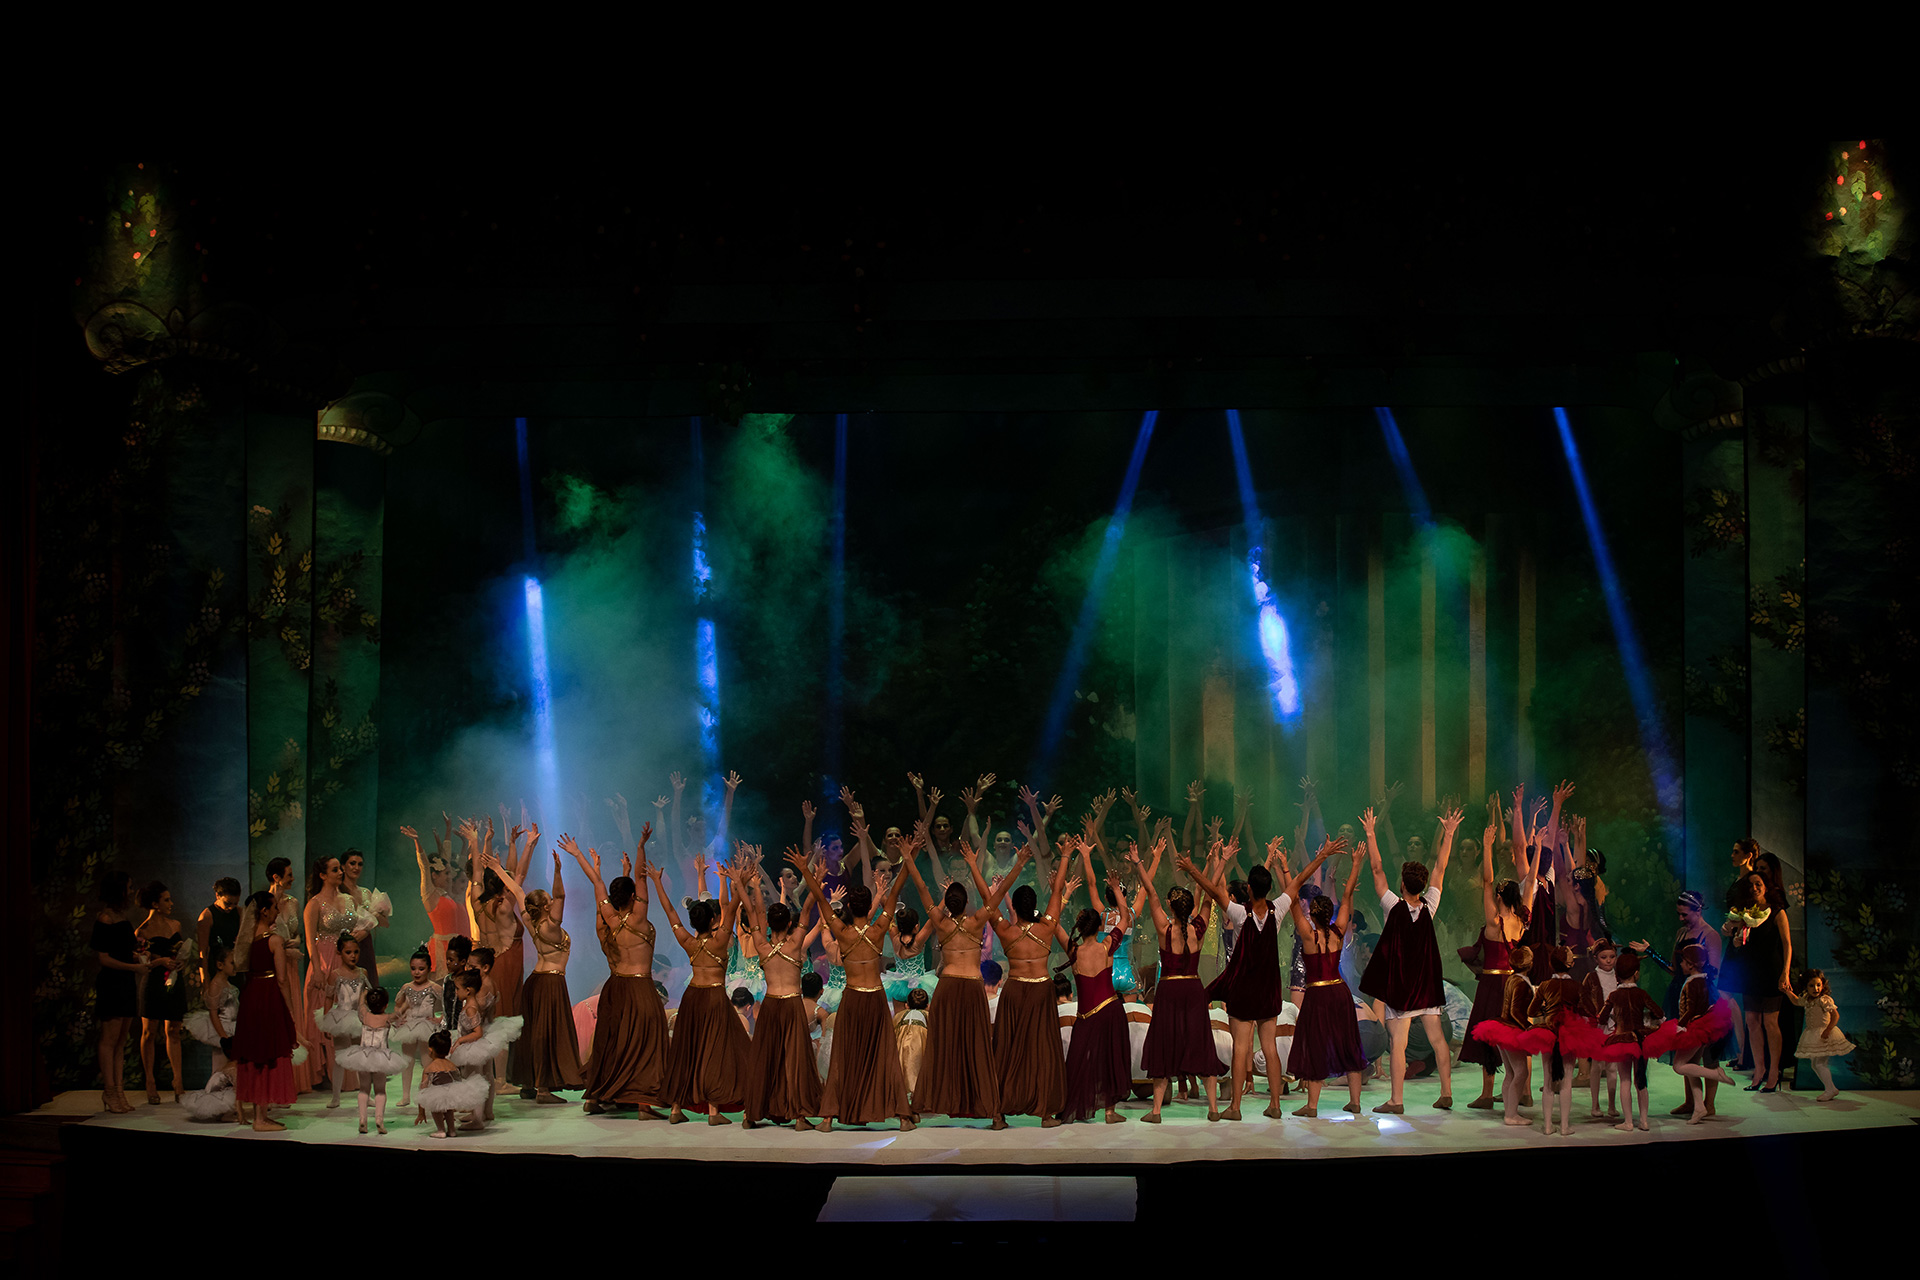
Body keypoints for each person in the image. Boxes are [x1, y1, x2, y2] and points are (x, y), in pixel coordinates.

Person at [787, 832, 918, 1132]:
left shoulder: (842, 932)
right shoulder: (879, 929)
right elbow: (895, 893)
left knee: (843, 1055)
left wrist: (808, 871)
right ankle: (902, 1117)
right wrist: (907, 859)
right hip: (874, 997)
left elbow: (822, 902)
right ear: (869, 906)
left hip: (852, 997)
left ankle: (828, 1118)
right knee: (885, 1054)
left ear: (848, 907)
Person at [900, 827, 1025, 1127]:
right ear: (966, 901)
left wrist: (909, 859)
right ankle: (994, 1113)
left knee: (941, 1046)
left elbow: (922, 889)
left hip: (946, 987)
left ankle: (920, 1107)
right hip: (970, 987)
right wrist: (1011, 864)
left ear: (947, 901)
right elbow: (995, 895)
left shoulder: (939, 922)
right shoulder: (977, 921)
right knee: (977, 1047)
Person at [1358, 802, 1464, 1113]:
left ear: (1402, 884)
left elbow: (1377, 870)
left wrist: (1370, 833)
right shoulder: (1430, 905)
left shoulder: (1393, 906)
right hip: (1426, 985)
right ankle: (1446, 1092)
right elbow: (1441, 868)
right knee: (1438, 1040)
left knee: (1399, 1043)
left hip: (1402, 988)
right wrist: (1448, 834)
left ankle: (1397, 1100)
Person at [564, 829, 670, 1118]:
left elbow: (597, 883)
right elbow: (642, 878)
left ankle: (596, 1096)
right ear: (634, 897)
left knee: (611, 1041)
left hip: (614, 987)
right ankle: (644, 1104)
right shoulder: (639, 919)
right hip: (639, 987)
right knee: (645, 1041)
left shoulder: (608, 920)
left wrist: (578, 855)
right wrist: (640, 845)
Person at [987, 807, 1074, 1127]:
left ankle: (998, 1115)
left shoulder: (1005, 931)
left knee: (1007, 1049)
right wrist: (1065, 856)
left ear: (1016, 906)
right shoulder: (1047, 926)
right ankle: (1045, 1113)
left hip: (1013, 991)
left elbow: (992, 902)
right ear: (1034, 906)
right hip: (1040, 991)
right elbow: (1058, 891)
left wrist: (1017, 865)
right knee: (1041, 1050)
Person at [656, 848, 752, 1124]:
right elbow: (730, 908)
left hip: (692, 997)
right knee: (714, 1050)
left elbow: (670, 911)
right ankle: (713, 1110)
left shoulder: (687, 941)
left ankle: (676, 1108)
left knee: (686, 1049)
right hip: (713, 997)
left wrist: (657, 883)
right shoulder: (720, 940)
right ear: (712, 920)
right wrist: (739, 882)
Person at [481, 843, 583, 1103]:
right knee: (546, 1034)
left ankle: (528, 1084)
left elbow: (517, 890)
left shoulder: (530, 920)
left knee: (533, 1034)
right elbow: (561, 896)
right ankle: (544, 1091)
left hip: (534, 982)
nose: (553, 901)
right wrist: (558, 872)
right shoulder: (550, 926)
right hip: (550, 982)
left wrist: (497, 869)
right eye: (550, 901)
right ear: (547, 907)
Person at [1279, 835, 1369, 1118]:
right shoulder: (1338, 931)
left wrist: (1285, 868)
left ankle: (1312, 1105)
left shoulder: (1308, 935)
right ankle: (1355, 1101)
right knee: (1348, 1042)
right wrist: (1356, 864)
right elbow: (1347, 895)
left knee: (1317, 1045)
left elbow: (1292, 899)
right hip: (1339, 991)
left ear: (1314, 915)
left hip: (1318, 993)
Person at [1462, 794, 1538, 1111]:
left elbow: (1486, 880)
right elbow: (1530, 883)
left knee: (1489, 1037)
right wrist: (1536, 853)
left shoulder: (1495, 923)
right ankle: (1525, 1090)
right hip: (1516, 983)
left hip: (1493, 984)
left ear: (1498, 896)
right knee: (1518, 1033)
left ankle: (1486, 1093)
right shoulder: (1521, 920)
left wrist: (1487, 846)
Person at [740, 878, 824, 1131]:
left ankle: (751, 1114)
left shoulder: (761, 944)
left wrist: (750, 887)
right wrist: (814, 879)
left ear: (768, 924)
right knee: (795, 1059)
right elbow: (807, 909)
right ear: (789, 924)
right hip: (791, 1004)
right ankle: (799, 1116)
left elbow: (753, 913)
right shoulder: (795, 942)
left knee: (765, 1057)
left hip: (770, 1005)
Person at [230, 892, 311, 1131]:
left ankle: (260, 1114)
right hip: (268, 997)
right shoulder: (274, 940)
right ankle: (260, 1118)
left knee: (257, 1052)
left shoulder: (247, 940)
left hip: (251, 997)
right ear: (264, 911)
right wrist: (289, 1009)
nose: (277, 911)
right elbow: (282, 979)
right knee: (269, 1050)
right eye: (274, 907)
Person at [1060, 873, 1136, 1125]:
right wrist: (1116, 889)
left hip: (1086, 1014)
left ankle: (1075, 1106)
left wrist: (1064, 894)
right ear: (1099, 926)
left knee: (1079, 1061)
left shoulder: (1073, 951)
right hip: (1110, 1009)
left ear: (1080, 928)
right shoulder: (1107, 946)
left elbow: (1053, 924)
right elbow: (1125, 918)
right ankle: (1110, 1112)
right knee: (1109, 1059)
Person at [1725, 869, 1792, 1091]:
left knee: (1771, 1023)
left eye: (1758, 884)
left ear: (1766, 886)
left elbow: (1787, 944)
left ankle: (1774, 1071)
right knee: (1752, 1022)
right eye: (1751, 885)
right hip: (1750, 972)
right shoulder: (1745, 913)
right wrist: (1736, 940)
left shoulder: (1777, 912)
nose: (1754, 888)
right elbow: (1739, 940)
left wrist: (1785, 972)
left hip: (1771, 971)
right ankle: (1759, 1069)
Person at [91, 870, 147, 1114]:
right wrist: (134, 967)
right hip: (112, 984)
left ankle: (119, 1091)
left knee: (121, 1040)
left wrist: (139, 956)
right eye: (129, 887)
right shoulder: (105, 919)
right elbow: (104, 958)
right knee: (110, 1039)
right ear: (119, 890)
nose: (131, 891)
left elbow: (123, 952)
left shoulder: (121, 917)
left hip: (126, 982)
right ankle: (110, 1091)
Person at [301, 855, 356, 1094]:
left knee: (346, 1015)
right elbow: (309, 941)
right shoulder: (314, 904)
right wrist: (317, 969)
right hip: (324, 960)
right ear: (323, 875)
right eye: (335, 870)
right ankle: (322, 1073)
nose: (340, 873)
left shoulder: (348, 899)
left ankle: (345, 1074)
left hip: (346, 959)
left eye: (339, 869)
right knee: (322, 1015)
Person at [1468, 943, 1537, 1126]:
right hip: (1512, 1029)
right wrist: (1528, 1028)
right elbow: (1515, 1011)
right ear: (1530, 964)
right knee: (1521, 1072)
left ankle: (1510, 1112)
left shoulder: (1513, 979)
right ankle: (1511, 1114)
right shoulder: (1521, 983)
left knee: (1511, 1073)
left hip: (1502, 1027)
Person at [134, 880, 190, 1104]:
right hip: (154, 982)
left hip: (174, 981)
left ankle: (178, 1081)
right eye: (166, 900)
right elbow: (142, 961)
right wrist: (160, 961)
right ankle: (150, 1082)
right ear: (155, 904)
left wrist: (181, 962)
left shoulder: (175, 924)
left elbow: (180, 952)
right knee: (149, 1032)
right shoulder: (142, 931)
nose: (171, 903)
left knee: (173, 1030)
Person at [1667, 944, 1737, 1123]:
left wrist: (1679, 1026)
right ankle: (1699, 1107)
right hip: (1698, 1026)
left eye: (1683, 961)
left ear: (1690, 964)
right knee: (1691, 1068)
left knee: (1679, 1066)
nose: (1680, 964)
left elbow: (1691, 1010)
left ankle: (1715, 1074)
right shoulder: (1701, 980)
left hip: (1694, 1028)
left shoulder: (1694, 982)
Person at [1527, 946, 1585, 1136]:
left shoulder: (1545, 985)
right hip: (1570, 1033)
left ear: (1551, 964)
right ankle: (1565, 1126)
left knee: (1548, 1081)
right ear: (1570, 964)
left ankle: (1547, 1125)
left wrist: (1547, 1011)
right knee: (1566, 1081)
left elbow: (1531, 1011)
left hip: (1548, 1032)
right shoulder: (1577, 986)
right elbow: (1589, 1009)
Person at [403, 819, 469, 978]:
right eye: (446, 874)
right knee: (440, 985)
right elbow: (424, 867)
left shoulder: (446, 893)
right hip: (440, 947)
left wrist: (452, 834)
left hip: (454, 946)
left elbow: (447, 858)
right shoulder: (430, 895)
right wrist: (417, 842)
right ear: (434, 875)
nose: (450, 877)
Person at [338, 985, 407, 1134]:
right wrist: (407, 1003)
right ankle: (379, 1119)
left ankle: (362, 1120)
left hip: (364, 1057)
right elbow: (400, 1013)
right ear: (386, 1005)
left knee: (364, 1089)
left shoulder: (364, 1015)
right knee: (380, 1090)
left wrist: (363, 994)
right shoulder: (387, 1018)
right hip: (381, 1058)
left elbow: (361, 1005)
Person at [1782, 969, 1854, 1102]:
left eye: (1818, 985)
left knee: (1820, 1064)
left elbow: (1835, 1016)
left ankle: (1830, 1089)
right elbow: (1796, 1001)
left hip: (1823, 1034)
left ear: (1823, 985)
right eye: (1811, 985)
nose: (1816, 988)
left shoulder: (1823, 999)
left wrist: (1828, 1030)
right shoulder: (1807, 999)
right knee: (1815, 1064)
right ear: (1806, 986)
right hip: (1813, 1033)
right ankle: (1830, 1088)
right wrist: (1787, 991)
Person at [390, 946, 443, 1109]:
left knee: (427, 1060)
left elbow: (448, 1005)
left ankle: (427, 1092)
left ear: (429, 969)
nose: (417, 972)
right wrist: (399, 1017)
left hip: (426, 1025)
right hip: (410, 1025)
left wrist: (440, 1019)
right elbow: (398, 1005)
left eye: (421, 969)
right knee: (407, 1060)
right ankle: (405, 1095)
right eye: (413, 969)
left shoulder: (434, 987)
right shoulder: (407, 987)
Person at [1578, 939, 1622, 1119]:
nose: (1609, 960)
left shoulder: (1619, 976)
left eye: (1612, 956)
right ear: (1596, 958)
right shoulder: (1592, 977)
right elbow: (1583, 999)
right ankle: (1595, 1104)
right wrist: (1594, 1016)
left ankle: (1612, 1105)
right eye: (1604, 957)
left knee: (1613, 1067)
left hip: (1616, 1026)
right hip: (1598, 1026)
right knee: (1597, 1065)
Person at [417, 1030, 486, 1140]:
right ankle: (452, 1130)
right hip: (451, 1092)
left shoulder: (429, 1068)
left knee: (436, 1108)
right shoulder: (452, 1065)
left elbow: (423, 1088)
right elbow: (457, 1079)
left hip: (437, 1094)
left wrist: (421, 1112)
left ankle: (441, 1130)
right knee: (449, 1110)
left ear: (430, 1050)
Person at [340, 847, 392, 989]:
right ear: (343, 866)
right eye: (352, 863)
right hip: (347, 944)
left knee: (368, 986)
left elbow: (384, 922)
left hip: (365, 943)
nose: (356, 867)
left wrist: (372, 921)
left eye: (360, 864)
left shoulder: (366, 892)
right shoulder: (338, 893)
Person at [195, 877, 241, 985]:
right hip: (216, 969)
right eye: (228, 903)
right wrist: (205, 982)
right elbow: (203, 953)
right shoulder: (207, 916)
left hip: (234, 967)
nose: (231, 907)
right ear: (218, 896)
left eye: (235, 903)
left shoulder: (239, 912)